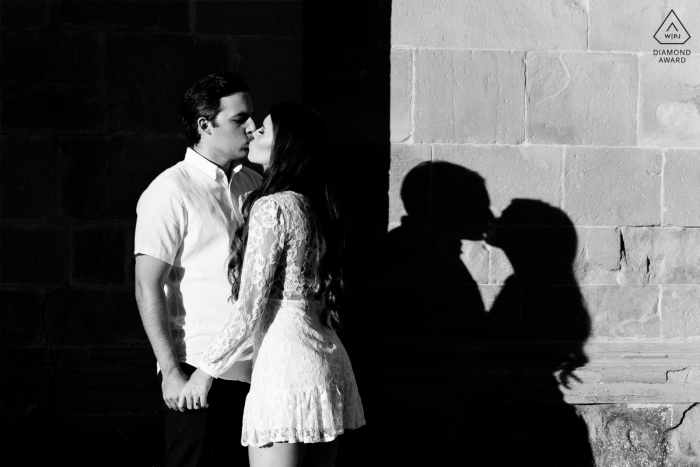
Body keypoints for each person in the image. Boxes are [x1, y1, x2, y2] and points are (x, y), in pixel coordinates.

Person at [179, 103, 366, 467]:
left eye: (263, 130)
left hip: (286, 368)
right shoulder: (316, 206)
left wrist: (204, 374)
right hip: (328, 362)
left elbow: (250, 307)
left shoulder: (273, 207)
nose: (253, 133)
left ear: (287, 145)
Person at [134, 72, 262, 466]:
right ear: (205, 125)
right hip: (196, 369)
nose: (253, 128)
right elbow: (147, 285)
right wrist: (171, 373)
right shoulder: (169, 191)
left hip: (258, 369)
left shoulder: (254, 184)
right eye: (240, 119)